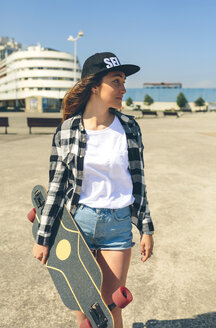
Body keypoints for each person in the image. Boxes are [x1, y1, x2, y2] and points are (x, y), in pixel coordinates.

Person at [33, 52, 154, 328]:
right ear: (94, 86)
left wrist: (146, 228)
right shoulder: (66, 131)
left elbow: (138, 182)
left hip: (118, 225)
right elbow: (55, 189)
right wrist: (44, 237)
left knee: (111, 308)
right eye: (117, 81)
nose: (124, 89)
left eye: (124, 81)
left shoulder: (130, 129)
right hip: (79, 225)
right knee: (84, 310)